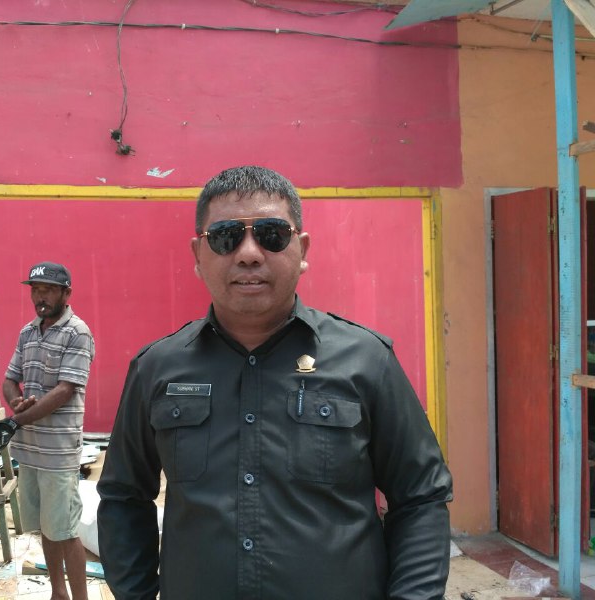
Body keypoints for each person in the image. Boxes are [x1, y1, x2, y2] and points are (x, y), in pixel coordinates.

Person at [96, 166, 453, 599]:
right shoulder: (156, 368)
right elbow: (124, 498)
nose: (249, 254)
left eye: (271, 235)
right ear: (198, 254)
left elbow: (420, 497)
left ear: (302, 249)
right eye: (226, 237)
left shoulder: (367, 360)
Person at [0, 261, 95, 600]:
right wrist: (15, 402)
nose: (40, 297)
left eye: (48, 290)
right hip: (30, 450)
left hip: (58, 452)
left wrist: (14, 422)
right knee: (46, 526)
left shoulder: (78, 332)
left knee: (66, 531)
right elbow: (9, 379)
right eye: (35, 290)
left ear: (66, 293)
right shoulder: (28, 332)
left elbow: (65, 391)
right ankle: (58, 593)